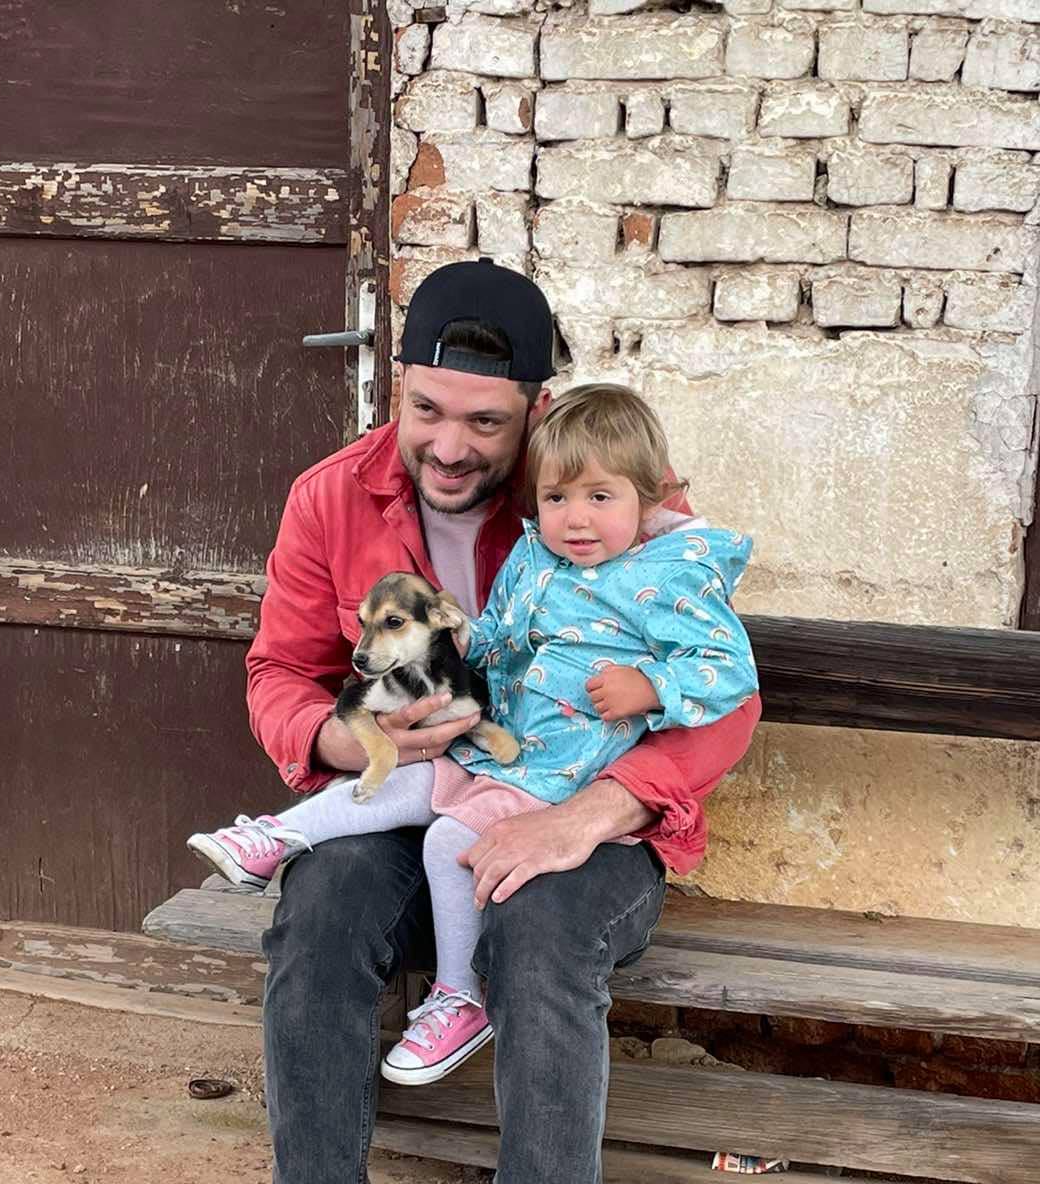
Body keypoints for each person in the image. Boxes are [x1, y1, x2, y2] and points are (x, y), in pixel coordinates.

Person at [222, 259, 762, 1184]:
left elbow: (726, 699)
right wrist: (343, 734)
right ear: (396, 387)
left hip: (590, 806)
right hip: (418, 799)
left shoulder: (593, 485)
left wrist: (594, 812)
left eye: (485, 422)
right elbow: (279, 673)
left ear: (535, 408)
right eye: (426, 410)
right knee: (319, 909)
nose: (450, 445)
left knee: (541, 925)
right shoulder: (330, 497)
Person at [188, 384, 758, 1097]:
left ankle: (460, 996)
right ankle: (279, 836)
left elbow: (728, 674)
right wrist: (456, 645)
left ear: (645, 500)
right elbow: (493, 637)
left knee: (459, 850)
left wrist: (650, 688)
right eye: (557, 499)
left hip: (565, 772)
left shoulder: (669, 573)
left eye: (599, 498)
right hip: (496, 748)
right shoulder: (532, 555)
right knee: (393, 798)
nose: (576, 518)